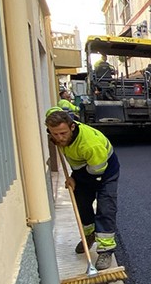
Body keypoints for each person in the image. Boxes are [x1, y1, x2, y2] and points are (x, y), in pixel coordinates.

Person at [45, 107, 120, 270]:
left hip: (104, 170)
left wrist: (75, 178)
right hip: (84, 169)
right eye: (55, 134)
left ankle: (105, 250)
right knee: (81, 203)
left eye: (63, 133)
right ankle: (89, 234)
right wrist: (74, 177)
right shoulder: (58, 131)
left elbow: (96, 171)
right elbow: (53, 110)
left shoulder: (90, 144)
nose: (59, 138)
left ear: (72, 127)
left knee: (106, 207)